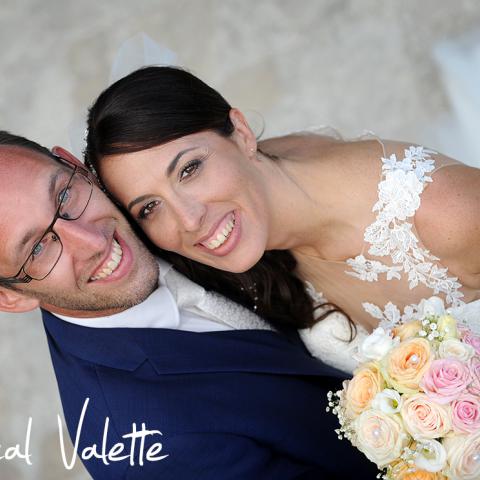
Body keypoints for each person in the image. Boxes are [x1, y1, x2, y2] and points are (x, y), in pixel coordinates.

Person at [0, 131, 378, 479]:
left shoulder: (153, 191)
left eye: (64, 196)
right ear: (11, 296)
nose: (92, 241)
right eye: (37, 248)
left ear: (74, 165)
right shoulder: (148, 452)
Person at [84, 66, 480, 373]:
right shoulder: (258, 194)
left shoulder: (446, 212)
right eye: (149, 208)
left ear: (241, 133)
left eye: (189, 169)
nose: (188, 220)